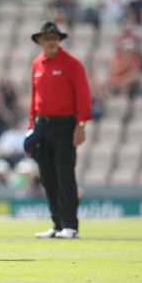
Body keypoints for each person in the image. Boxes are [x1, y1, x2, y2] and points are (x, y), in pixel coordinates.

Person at [25, 21, 91, 239]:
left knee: (65, 176)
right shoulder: (37, 64)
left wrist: (81, 125)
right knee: (48, 178)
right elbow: (35, 98)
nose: (51, 41)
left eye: (54, 38)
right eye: (47, 38)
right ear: (41, 41)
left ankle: (71, 226)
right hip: (42, 126)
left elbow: (83, 96)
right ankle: (57, 224)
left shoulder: (72, 64)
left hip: (65, 126)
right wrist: (30, 127)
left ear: (59, 40)